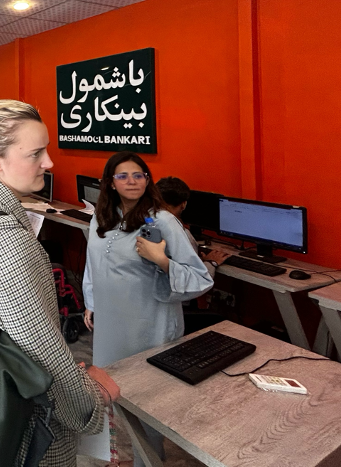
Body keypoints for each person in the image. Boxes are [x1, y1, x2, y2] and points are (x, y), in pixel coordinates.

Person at [0, 100, 119, 466]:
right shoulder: (6, 238)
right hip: (29, 432)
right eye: (36, 153)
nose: (49, 163)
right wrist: (90, 397)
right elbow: (41, 353)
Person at [83, 153, 213, 467]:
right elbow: (93, 264)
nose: (132, 181)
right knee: (111, 394)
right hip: (111, 326)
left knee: (149, 405)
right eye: (123, 176)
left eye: (139, 175)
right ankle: (119, 457)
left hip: (149, 326)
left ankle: (149, 461)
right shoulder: (101, 217)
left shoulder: (163, 221)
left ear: (147, 180)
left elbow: (201, 278)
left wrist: (162, 260)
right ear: (110, 183)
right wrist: (91, 303)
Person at [156, 176, 229, 277]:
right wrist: (212, 262)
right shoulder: (180, 233)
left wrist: (198, 262)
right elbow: (194, 279)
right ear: (184, 204)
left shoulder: (139, 222)